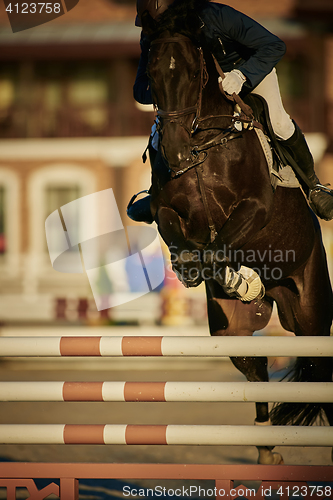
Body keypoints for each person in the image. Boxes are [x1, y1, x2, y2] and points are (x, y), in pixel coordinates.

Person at [128, 0, 333, 223]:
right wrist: (165, 88)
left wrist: (241, 75)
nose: (155, 32)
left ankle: (314, 187)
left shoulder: (218, 15)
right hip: (199, 87)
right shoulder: (152, 34)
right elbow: (140, 91)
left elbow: (275, 45)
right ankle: (156, 192)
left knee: (279, 123)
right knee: (160, 133)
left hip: (247, 70)